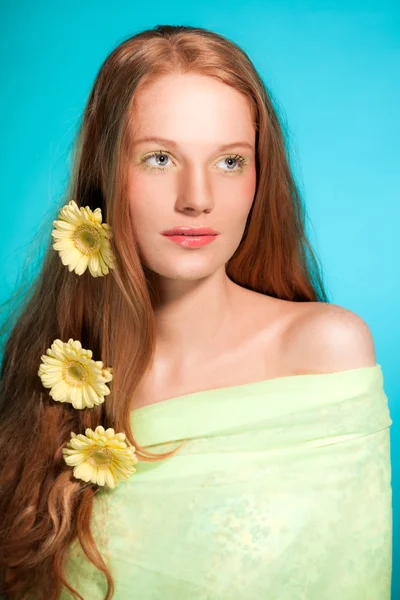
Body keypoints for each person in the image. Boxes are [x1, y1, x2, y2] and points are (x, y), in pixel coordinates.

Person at [0, 24, 392, 600]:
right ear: (105, 177)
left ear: (261, 178)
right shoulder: (43, 373)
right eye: (159, 158)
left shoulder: (324, 351)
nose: (197, 197)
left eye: (230, 162)